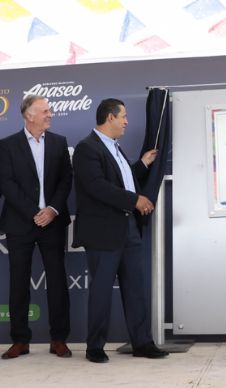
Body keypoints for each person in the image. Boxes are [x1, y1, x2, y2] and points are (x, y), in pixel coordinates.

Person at [72, 98, 167, 363]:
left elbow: (122, 180)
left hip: (128, 228)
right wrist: (135, 200)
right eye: (123, 116)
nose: (127, 121)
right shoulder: (86, 148)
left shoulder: (115, 148)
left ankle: (142, 343)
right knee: (101, 290)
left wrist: (142, 164)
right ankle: (95, 347)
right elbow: (97, 186)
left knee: (135, 289)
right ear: (109, 118)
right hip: (104, 231)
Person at [0, 95, 72, 360]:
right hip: (20, 223)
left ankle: (59, 339)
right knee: (18, 282)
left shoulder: (59, 142)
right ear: (29, 115)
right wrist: (34, 213)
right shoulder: (7, 146)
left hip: (52, 222)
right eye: (45, 111)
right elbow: (7, 184)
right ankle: (20, 340)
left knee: (57, 281)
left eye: (50, 110)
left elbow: (66, 180)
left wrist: (51, 210)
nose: (50, 114)